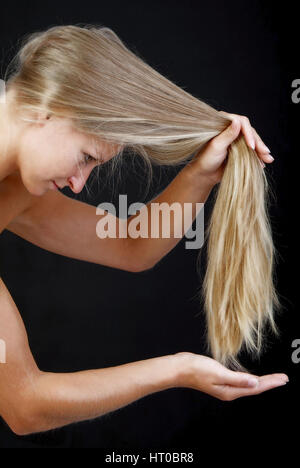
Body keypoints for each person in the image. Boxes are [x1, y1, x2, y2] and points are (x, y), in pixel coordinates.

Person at [0, 25, 288, 436]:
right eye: (85, 156)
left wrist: (200, 174)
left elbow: (130, 246)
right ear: (48, 108)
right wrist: (177, 371)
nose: (79, 184)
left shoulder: (15, 182)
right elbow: (24, 403)